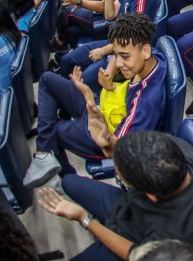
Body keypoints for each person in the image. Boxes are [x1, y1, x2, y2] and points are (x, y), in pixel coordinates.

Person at [23, 14, 167, 188]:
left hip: (100, 131)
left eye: (125, 57)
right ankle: (45, 154)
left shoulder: (145, 103)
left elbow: (118, 150)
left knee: (53, 129)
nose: (119, 63)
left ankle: (63, 175)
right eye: (117, 55)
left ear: (145, 51)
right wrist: (109, 74)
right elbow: (117, 57)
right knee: (47, 79)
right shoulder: (153, 55)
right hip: (102, 107)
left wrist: (88, 97)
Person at [38, 130, 193, 261]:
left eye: (121, 176)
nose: (118, 174)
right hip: (128, 208)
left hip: (135, 239)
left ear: (151, 196)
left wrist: (84, 218)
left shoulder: (173, 238)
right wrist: (112, 144)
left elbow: (133, 253)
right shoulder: (176, 149)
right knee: (69, 182)